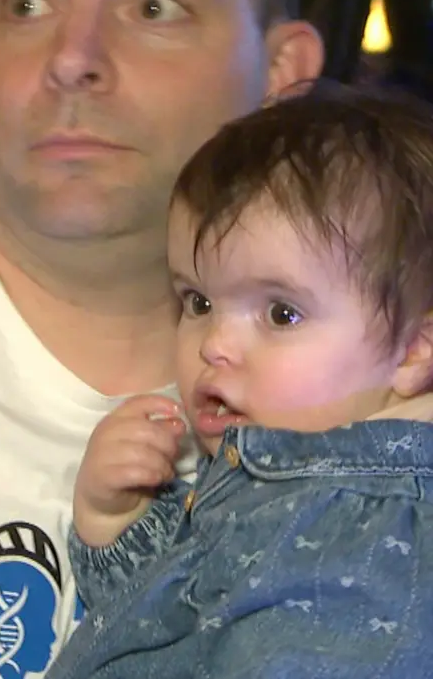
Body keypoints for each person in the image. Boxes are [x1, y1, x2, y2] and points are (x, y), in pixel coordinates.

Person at [0, 0, 323, 675]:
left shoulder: (379, 389)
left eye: (153, 6)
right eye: (28, 4)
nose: (73, 59)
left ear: (282, 75)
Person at [48, 84, 433, 679]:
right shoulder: (252, 479)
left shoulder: (390, 520)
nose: (213, 344)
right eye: (197, 301)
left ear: (414, 349)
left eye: (281, 313)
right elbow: (158, 620)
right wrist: (116, 522)